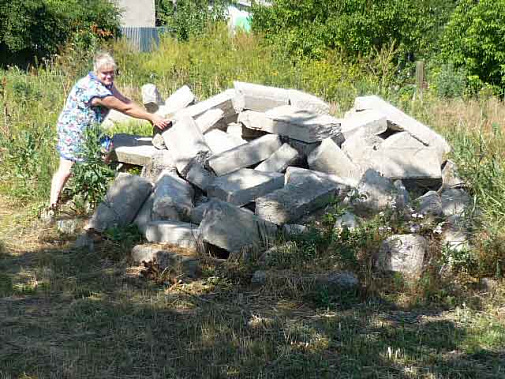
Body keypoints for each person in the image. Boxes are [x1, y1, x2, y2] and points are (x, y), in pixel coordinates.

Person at [48, 52, 171, 212]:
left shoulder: (105, 84)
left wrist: (151, 116)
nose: (108, 76)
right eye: (104, 73)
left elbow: (125, 100)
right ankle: (52, 205)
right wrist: (150, 117)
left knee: (105, 148)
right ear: (96, 71)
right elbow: (124, 108)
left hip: (88, 129)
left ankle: (88, 188)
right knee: (67, 168)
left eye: (111, 72)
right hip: (73, 129)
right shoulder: (96, 90)